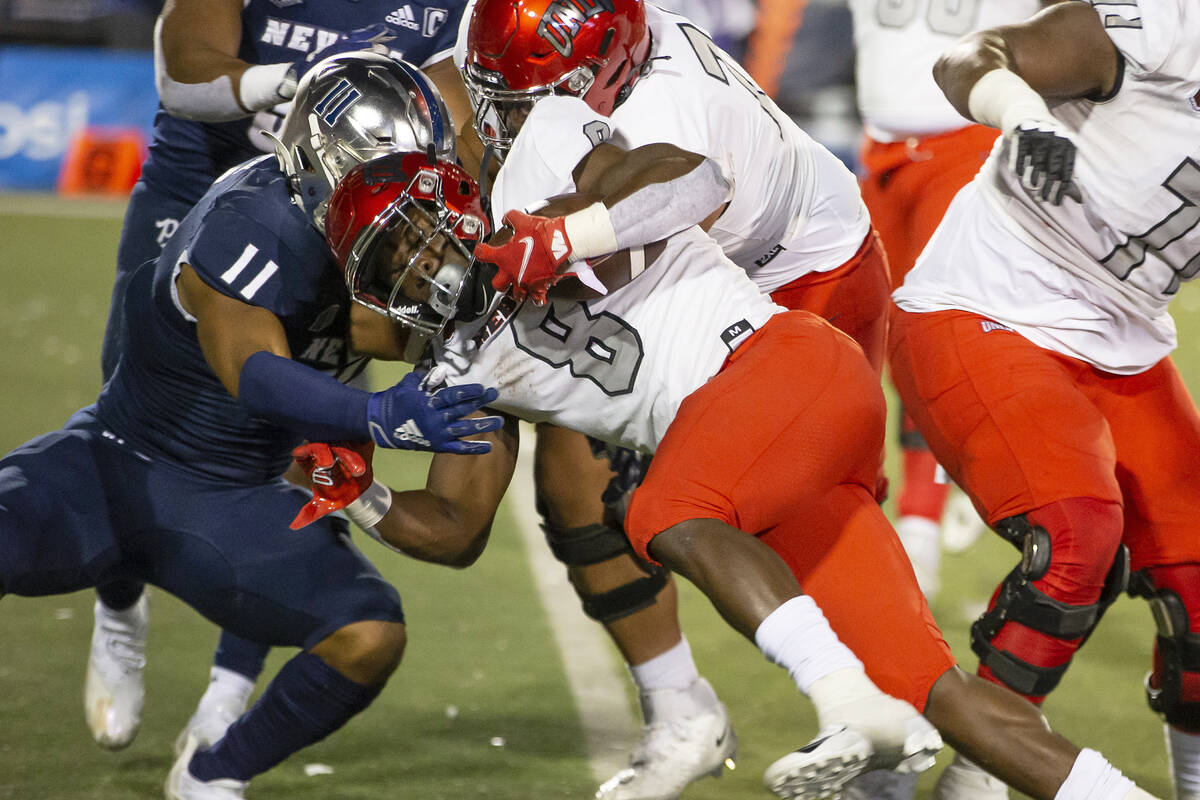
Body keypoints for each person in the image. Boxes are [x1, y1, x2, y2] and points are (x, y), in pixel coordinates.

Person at [309, 147, 1164, 800]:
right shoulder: (458, 373)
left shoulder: (548, 193)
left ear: (460, 206)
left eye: (420, 241)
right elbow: (457, 531)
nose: (420, 268)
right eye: (395, 263)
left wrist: (564, 236)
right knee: (938, 694)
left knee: (657, 510)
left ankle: (842, 700)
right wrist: (366, 495)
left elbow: (694, 177)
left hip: (785, 367)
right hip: (782, 459)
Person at [0, 54, 503, 800]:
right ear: (326, 178)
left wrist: (493, 326)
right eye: (390, 192)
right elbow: (254, 375)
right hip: (115, 467)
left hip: (239, 503)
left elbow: (459, 526)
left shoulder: (396, 247)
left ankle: (211, 773)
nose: (416, 222)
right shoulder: (254, 216)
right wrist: (377, 414)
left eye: (419, 188)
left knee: (369, 632)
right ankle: (118, 609)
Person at [456, 1, 893, 794]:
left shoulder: (668, 108)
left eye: (533, 94)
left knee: (811, 519)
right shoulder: (537, 35)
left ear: (608, 70)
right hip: (701, 263)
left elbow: (676, 201)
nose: (509, 115)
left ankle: (891, 712)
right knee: (576, 485)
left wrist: (552, 238)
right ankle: (679, 710)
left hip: (802, 272)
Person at [85, 0, 473, 754]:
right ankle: (118, 608)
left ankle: (228, 691)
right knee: (130, 425)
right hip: (208, 184)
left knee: (305, 438)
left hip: (343, 212)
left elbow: (456, 105)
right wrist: (290, 82)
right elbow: (183, 76)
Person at [887, 1, 1200, 799]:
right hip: (988, 298)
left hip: (1119, 331)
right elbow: (967, 57)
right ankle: (976, 773)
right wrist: (1026, 116)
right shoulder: (1164, 31)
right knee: (1076, 534)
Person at [847, 0, 1054, 605]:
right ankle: (932, 489)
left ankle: (920, 524)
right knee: (870, 342)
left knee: (931, 333)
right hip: (881, 155)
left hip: (970, 146)